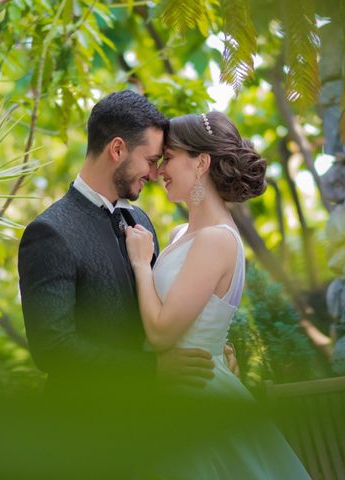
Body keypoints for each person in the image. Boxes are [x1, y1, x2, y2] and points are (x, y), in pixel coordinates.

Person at [125, 111, 310, 478]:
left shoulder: (216, 239)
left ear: (201, 163)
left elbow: (162, 332)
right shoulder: (181, 234)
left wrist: (141, 265)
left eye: (169, 158)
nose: (160, 170)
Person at [18, 91, 222, 398]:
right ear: (117, 149)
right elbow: (53, 349)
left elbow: (160, 309)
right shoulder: (49, 232)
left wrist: (206, 351)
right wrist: (151, 370)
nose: (155, 174)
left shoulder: (139, 219)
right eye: (151, 161)